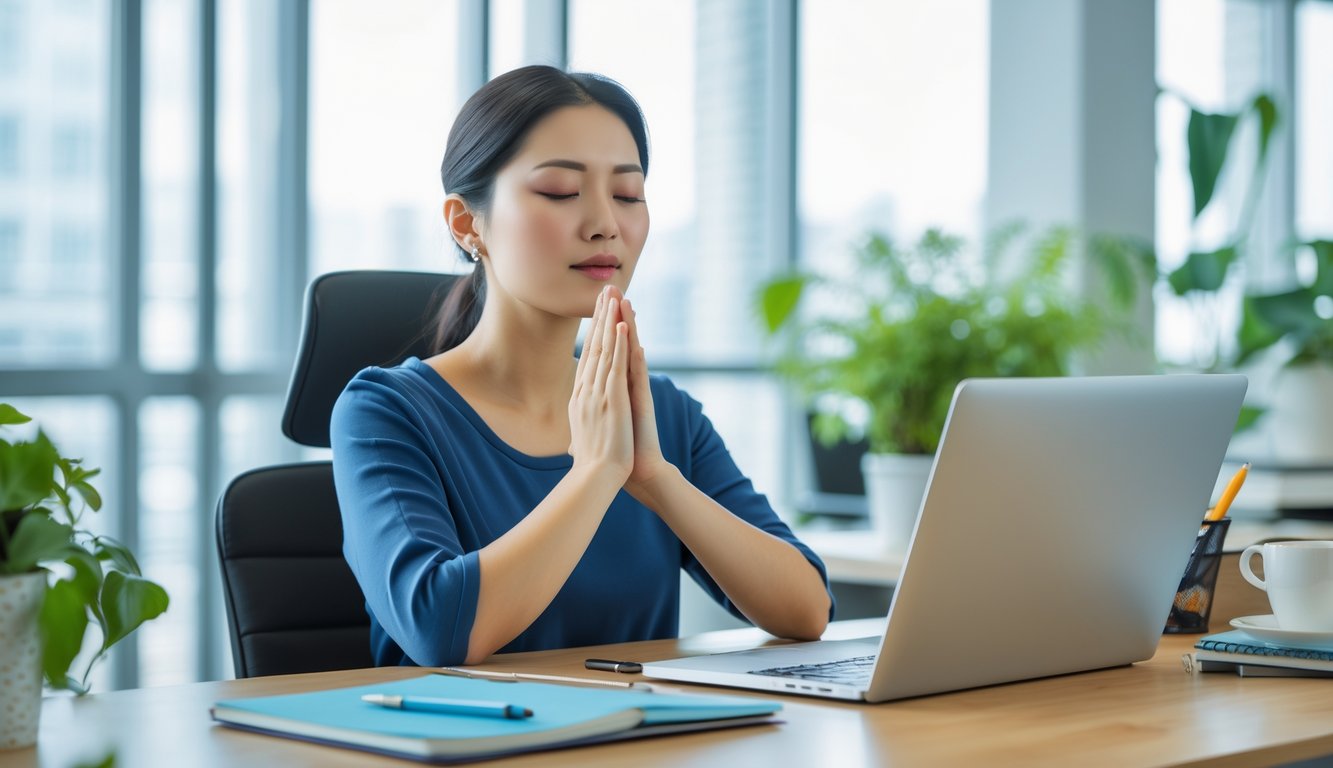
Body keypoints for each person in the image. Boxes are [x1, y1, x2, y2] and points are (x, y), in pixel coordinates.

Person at [331, 65, 833, 668]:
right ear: (467, 225)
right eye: (560, 192)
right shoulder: (383, 412)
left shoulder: (660, 412)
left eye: (628, 196)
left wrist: (656, 478)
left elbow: (807, 610)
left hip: (637, 727)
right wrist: (595, 472)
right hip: (474, 730)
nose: (605, 224)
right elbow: (438, 628)